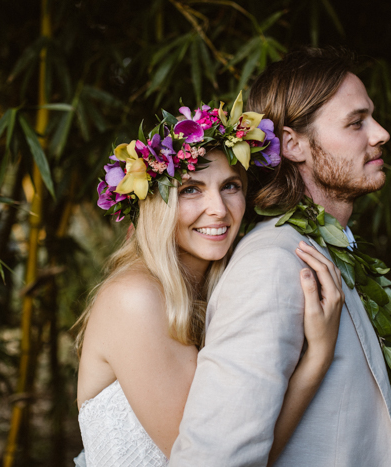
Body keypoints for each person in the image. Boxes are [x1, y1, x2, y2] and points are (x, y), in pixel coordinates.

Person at [74, 95, 346, 466]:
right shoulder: (135, 299)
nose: (219, 208)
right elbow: (218, 458)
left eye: (231, 186)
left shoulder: (217, 290)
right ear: (155, 205)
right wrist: (317, 359)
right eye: (190, 189)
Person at [169, 48, 391, 466]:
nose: (381, 133)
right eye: (356, 123)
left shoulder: (325, 250)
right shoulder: (273, 266)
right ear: (293, 143)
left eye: (372, 117)